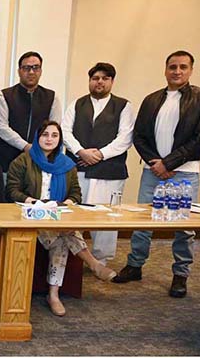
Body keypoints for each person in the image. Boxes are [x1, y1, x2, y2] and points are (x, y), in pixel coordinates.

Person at [115, 50, 200, 298]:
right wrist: (155, 162)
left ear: (191, 70)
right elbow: (138, 135)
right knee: (143, 220)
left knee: (182, 226)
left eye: (183, 67)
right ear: (165, 69)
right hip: (153, 170)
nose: (177, 71)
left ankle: (180, 274)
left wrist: (169, 163)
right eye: (173, 66)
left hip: (184, 172)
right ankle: (135, 265)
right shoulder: (151, 99)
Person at [6, 120, 116, 316]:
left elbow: (75, 194)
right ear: (37, 137)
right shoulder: (22, 161)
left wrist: (67, 204)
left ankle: (54, 293)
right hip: (31, 214)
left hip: (58, 215)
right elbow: (12, 191)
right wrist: (34, 202)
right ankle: (91, 265)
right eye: (45, 134)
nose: (49, 139)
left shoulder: (67, 165)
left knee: (61, 236)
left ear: (60, 139)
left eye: (54, 135)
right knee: (62, 236)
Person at [62, 62, 134, 265]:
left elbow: (125, 137)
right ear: (90, 81)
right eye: (95, 78)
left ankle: (101, 261)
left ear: (112, 81)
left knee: (105, 218)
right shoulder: (76, 104)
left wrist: (100, 154)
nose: (99, 82)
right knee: (74, 215)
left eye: (105, 78)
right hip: (78, 168)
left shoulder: (123, 106)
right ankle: (71, 260)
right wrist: (81, 152)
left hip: (109, 171)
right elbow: (65, 131)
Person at [0, 51, 62, 172]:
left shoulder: (52, 97)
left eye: (35, 68)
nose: (31, 72)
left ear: (41, 71)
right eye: (26, 68)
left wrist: (40, 147)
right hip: (7, 160)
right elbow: (1, 127)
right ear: (19, 71)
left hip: (40, 160)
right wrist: (25, 146)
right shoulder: (3, 95)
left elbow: (54, 128)